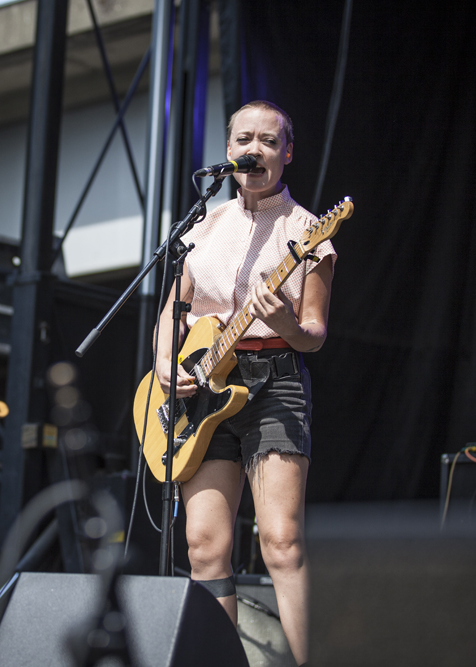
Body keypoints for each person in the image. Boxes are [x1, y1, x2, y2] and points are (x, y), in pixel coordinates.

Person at [155, 101, 335, 666]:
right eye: (243, 140)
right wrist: (163, 361)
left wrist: (285, 322)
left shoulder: (308, 230)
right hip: (204, 389)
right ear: (228, 150)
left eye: (267, 141)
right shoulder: (202, 226)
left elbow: (314, 333)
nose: (253, 150)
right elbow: (173, 310)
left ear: (287, 154)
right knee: (204, 547)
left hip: (274, 382)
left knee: (280, 541)